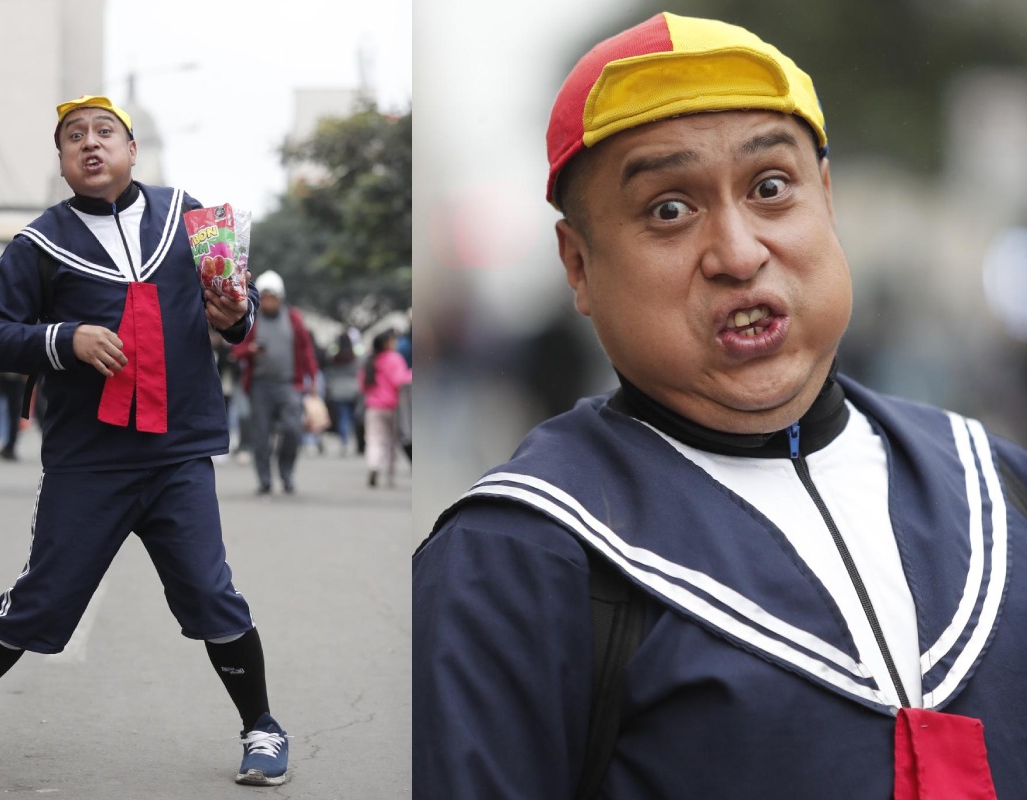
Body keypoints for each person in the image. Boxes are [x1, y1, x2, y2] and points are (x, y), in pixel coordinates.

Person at [412, 13, 1027, 799]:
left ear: (826, 199)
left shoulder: (997, 490)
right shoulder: (516, 561)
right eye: (669, 209)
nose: (738, 253)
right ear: (579, 265)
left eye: (771, 188)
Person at [0, 95, 290, 787]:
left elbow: (235, 318)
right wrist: (66, 339)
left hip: (177, 454)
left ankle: (262, 728)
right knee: (43, 596)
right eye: (74, 137)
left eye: (105, 132)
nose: (90, 143)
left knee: (211, 593)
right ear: (61, 161)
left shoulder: (188, 218)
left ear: (132, 150)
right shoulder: (37, 244)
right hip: (88, 460)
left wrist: (234, 316)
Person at [232, 270, 319, 495]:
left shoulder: (293, 318)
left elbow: (306, 350)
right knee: (261, 436)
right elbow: (236, 349)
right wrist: (250, 350)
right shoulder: (252, 319)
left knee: (292, 430)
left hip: (288, 385)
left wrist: (312, 378)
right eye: (265, 298)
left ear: (280, 298)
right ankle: (264, 480)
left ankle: (286, 472)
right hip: (260, 385)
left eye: (273, 298)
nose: (269, 302)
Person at [359, 329, 411, 488]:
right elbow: (399, 380)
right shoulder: (394, 359)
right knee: (391, 442)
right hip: (392, 406)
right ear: (386, 343)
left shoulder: (370, 360)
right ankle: (390, 472)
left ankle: (373, 465)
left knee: (373, 439)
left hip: (373, 406)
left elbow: (362, 385)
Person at [323, 329, 361, 456]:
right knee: (350, 417)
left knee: (342, 416)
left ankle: (344, 441)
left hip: (337, 391)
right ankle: (350, 440)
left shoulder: (334, 358)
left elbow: (329, 373)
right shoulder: (355, 357)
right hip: (353, 390)